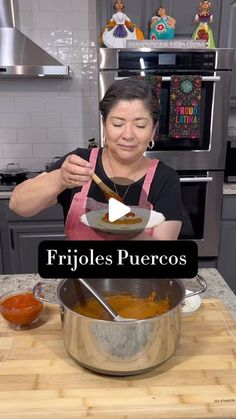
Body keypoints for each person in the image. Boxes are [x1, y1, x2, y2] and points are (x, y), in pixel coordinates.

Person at [9, 78, 183, 241]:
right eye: (117, 124)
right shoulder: (79, 162)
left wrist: (129, 229)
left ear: (153, 130)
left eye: (140, 125)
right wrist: (60, 179)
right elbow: (18, 205)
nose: (128, 135)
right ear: (104, 124)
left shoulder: (165, 179)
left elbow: (163, 256)